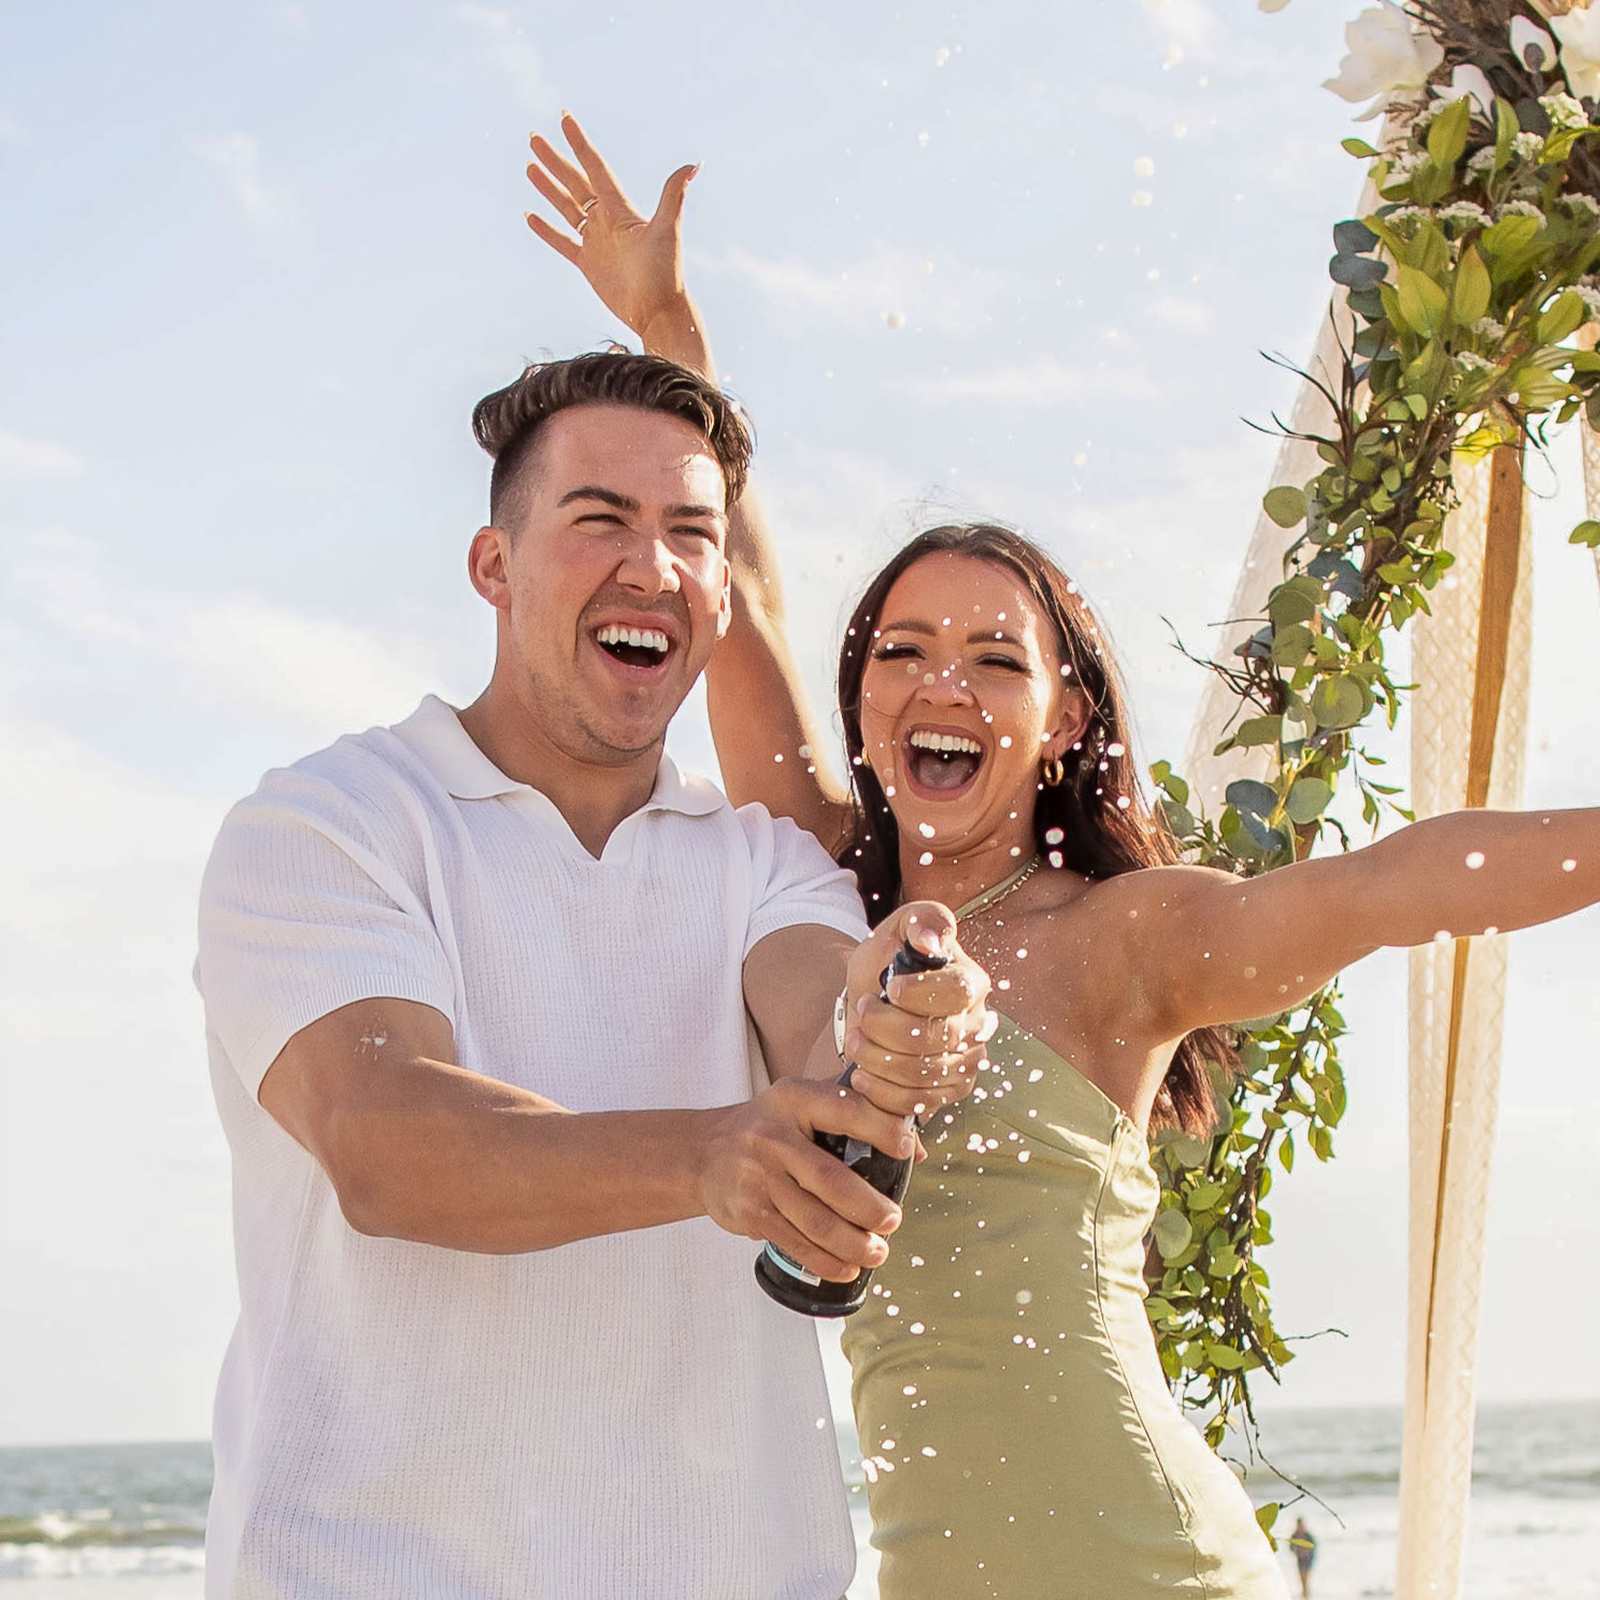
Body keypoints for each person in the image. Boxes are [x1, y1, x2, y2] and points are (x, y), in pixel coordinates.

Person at [525, 115, 1600, 1599]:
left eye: (993, 658)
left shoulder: (1124, 938)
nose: (939, 684)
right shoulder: (818, 883)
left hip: (1146, 1566)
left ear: (1064, 715)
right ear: (864, 699)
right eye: (901, 651)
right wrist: (669, 331)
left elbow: (1392, 885)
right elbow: (752, 607)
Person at [194, 344, 995, 1597]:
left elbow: (827, 1029)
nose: (654, 567)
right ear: (494, 565)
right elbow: (387, 1142)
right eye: (599, 520)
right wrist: (705, 1156)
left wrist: (900, 1016)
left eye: (691, 532)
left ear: (724, 597)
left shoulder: (765, 865)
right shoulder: (327, 824)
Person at [1289, 1517, 1317, 1598]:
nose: (1300, 1527)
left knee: (1306, 1579)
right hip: (1300, 1560)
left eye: (1301, 1525)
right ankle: (1304, 1595)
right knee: (1302, 1580)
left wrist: (1306, 1552)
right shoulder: (1294, 1535)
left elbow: (1314, 1547)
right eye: (1298, 1525)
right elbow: (1290, 1548)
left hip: (1309, 1560)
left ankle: (1306, 1595)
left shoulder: (1308, 1536)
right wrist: (1297, 1551)